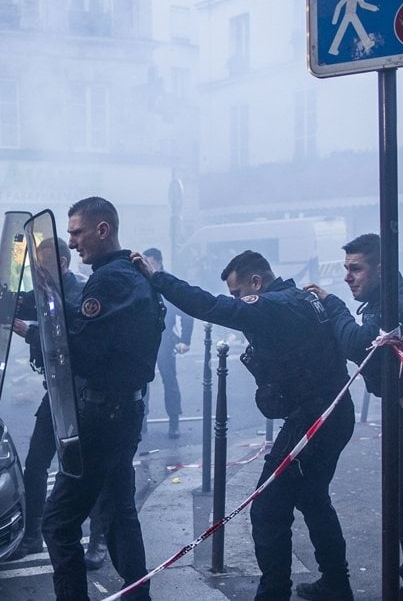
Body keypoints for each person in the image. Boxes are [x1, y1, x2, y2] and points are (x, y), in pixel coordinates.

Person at [134, 249, 356, 601]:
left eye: (239, 293)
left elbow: (210, 306)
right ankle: (337, 583)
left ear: (255, 282)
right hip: (333, 414)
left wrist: (157, 278)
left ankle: (275, 594)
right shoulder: (299, 299)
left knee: (268, 510)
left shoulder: (274, 306)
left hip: (312, 421)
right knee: (313, 498)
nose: (237, 300)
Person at [305, 234, 403, 600]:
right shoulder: (393, 302)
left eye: (356, 269)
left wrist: (332, 304)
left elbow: (356, 342)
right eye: (346, 268)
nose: (348, 277)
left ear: (382, 268)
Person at [42, 197, 162, 601]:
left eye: (77, 232)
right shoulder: (130, 272)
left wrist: (45, 335)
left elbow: (86, 350)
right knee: (118, 512)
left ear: (102, 229)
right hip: (125, 410)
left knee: (59, 522)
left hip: (102, 415)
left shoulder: (108, 281)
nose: (72, 242)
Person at [9, 237, 108, 570]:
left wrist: (29, 333)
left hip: (80, 394)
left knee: (87, 466)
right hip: (55, 390)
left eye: (43, 264)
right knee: (35, 463)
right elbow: (24, 306)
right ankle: (32, 535)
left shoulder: (79, 292)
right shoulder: (46, 291)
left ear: (63, 263)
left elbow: (68, 337)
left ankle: (98, 539)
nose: (38, 270)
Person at [140, 247, 194, 439]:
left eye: (150, 263)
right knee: (142, 381)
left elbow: (185, 312)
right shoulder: (142, 281)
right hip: (145, 338)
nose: (147, 266)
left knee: (169, 380)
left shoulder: (167, 281)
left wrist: (185, 340)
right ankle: (141, 422)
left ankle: (174, 421)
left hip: (164, 338)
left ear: (159, 262)